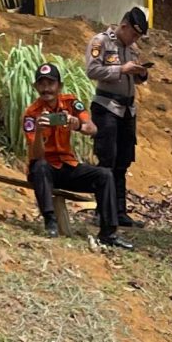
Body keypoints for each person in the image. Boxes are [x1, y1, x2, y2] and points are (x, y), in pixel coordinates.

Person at [22, 61, 121, 247]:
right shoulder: (31, 113)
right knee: (40, 166)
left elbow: (93, 129)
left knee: (105, 175)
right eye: (41, 84)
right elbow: (36, 155)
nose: (46, 89)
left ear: (59, 86)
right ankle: (50, 222)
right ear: (36, 87)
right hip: (45, 169)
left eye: (50, 83)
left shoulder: (70, 103)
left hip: (67, 165)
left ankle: (109, 233)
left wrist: (77, 125)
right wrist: (38, 132)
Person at [83, 6, 152, 230]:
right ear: (123, 26)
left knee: (123, 161)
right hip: (106, 107)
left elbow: (135, 78)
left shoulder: (132, 48)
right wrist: (121, 69)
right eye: (134, 33)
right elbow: (92, 70)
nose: (135, 39)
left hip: (127, 110)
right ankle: (102, 211)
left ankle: (119, 211)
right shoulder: (100, 42)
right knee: (107, 160)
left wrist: (141, 73)